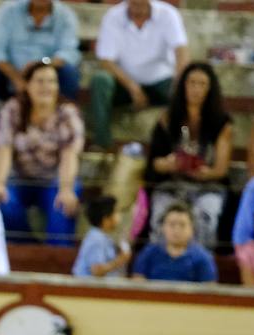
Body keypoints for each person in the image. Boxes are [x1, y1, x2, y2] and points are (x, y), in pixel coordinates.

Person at [0, 60, 83, 245]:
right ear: (27, 85)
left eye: (51, 81)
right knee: (1, 199)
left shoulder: (67, 113)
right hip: (20, 179)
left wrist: (66, 188)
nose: (46, 87)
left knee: (64, 203)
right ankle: (28, 247)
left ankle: (57, 257)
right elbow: (3, 149)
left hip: (55, 180)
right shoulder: (13, 109)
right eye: (40, 81)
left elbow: (70, 154)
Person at [144, 61, 233, 248]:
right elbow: (155, 162)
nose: (196, 89)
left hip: (207, 186)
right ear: (183, 86)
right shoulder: (167, 118)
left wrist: (203, 172)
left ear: (210, 89)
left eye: (202, 84)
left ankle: (200, 265)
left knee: (206, 215)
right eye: (192, 83)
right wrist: (170, 164)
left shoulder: (221, 122)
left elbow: (221, 170)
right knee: (162, 216)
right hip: (171, 184)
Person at [88, 0, 189, 150]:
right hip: (125, 84)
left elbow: (181, 52)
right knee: (100, 80)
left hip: (162, 82)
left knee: (188, 88)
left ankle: (179, 147)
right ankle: (102, 143)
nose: (137, 4)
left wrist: (179, 84)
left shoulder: (168, 14)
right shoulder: (113, 16)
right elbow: (106, 61)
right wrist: (132, 87)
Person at [0, 0, 81, 137]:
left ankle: (57, 130)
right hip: (9, 77)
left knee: (70, 72)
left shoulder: (65, 15)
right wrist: (17, 79)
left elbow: (68, 53)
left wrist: (41, 65)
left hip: (45, 76)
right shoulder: (8, 11)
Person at [132, 202, 218, 282]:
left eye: (182, 225)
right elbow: (138, 285)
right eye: (172, 224)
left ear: (192, 229)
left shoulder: (203, 258)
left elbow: (209, 291)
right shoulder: (148, 253)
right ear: (163, 227)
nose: (176, 230)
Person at [72, 196, 132, 278]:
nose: (119, 216)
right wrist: (121, 259)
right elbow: (96, 271)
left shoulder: (104, 237)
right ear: (106, 219)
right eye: (116, 212)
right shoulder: (96, 239)